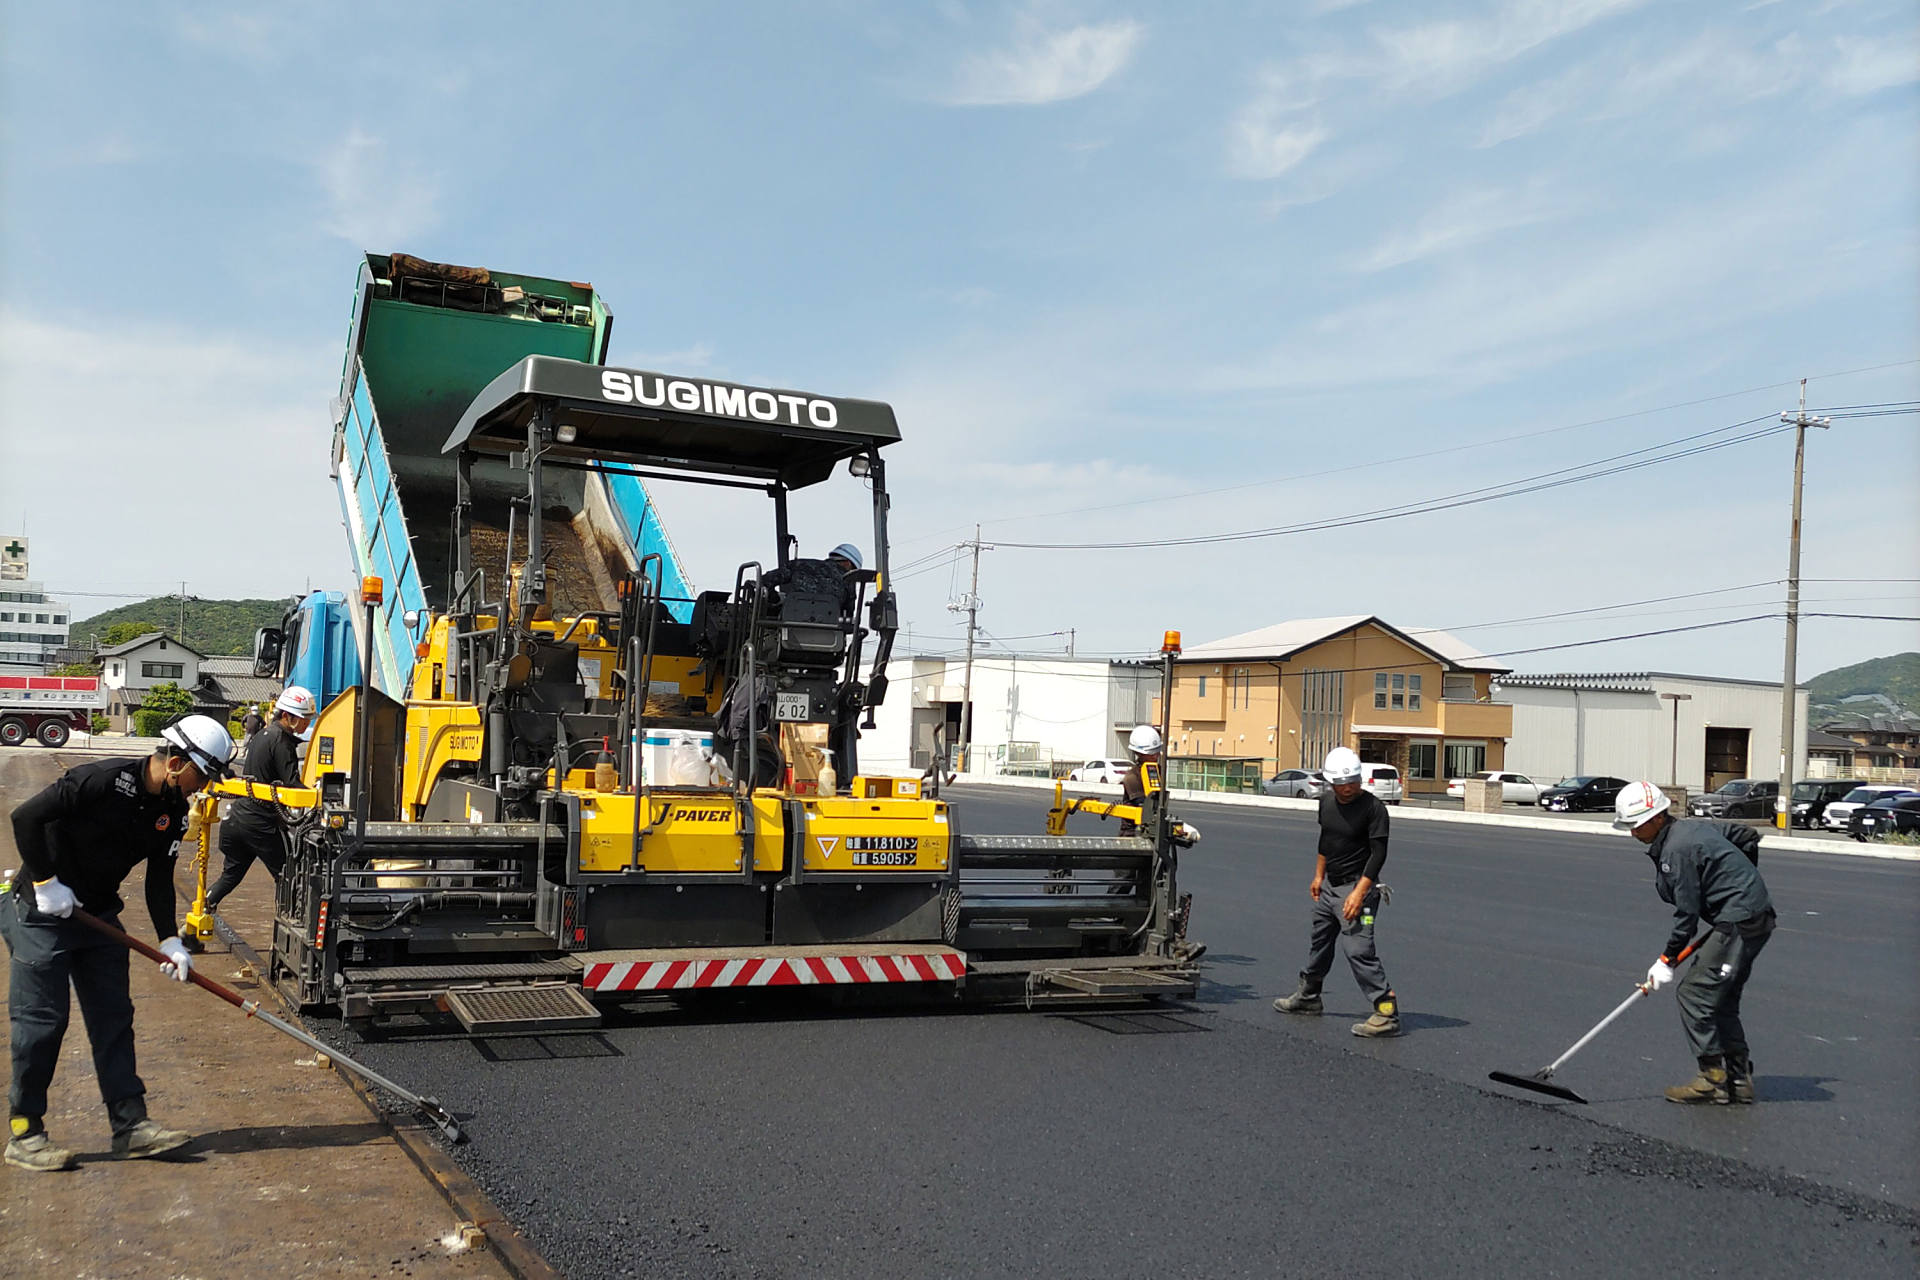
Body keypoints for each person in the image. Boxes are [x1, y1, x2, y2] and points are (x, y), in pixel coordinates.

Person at [2, 714, 234, 1171]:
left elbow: (160, 879)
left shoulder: (172, 813)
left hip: (97, 917)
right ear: (176, 763)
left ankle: (130, 1127)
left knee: (114, 1019)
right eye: (203, 775)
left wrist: (169, 940)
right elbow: (24, 816)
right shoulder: (101, 780)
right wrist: (45, 882)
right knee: (42, 1023)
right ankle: (25, 1132)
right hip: (41, 913)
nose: (203, 787)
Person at [1613, 780, 1775, 1105]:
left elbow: (1686, 916)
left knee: (1694, 994)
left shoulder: (1677, 850)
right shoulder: (1689, 829)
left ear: (1658, 817)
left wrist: (1666, 959)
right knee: (1720, 999)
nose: (1633, 833)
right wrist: (1740, 882)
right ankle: (1738, 1081)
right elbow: (1746, 836)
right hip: (1747, 916)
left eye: (1637, 825)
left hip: (1741, 922)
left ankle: (1712, 1078)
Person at [1272, 746, 1401, 1037]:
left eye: (1352, 782)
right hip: (1330, 886)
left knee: (1358, 950)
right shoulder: (1327, 803)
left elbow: (1378, 855)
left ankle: (1387, 1012)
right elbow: (1326, 839)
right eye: (1341, 784)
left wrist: (1358, 893)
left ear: (1359, 779)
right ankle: (1308, 996)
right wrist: (1319, 875)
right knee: (1319, 941)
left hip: (1359, 888)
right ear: (1331, 782)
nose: (1347, 788)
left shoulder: (1374, 810)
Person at [204, 686, 314, 915]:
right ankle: (291, 920)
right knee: (289, 874)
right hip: (261, 822)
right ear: (288, 716)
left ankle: (202, 911)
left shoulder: (261, 736)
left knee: (231, 874)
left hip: (236, 818)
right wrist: (318, 798)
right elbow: (291, 783)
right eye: (304, 718)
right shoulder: (281, 741)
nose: (306, 724)